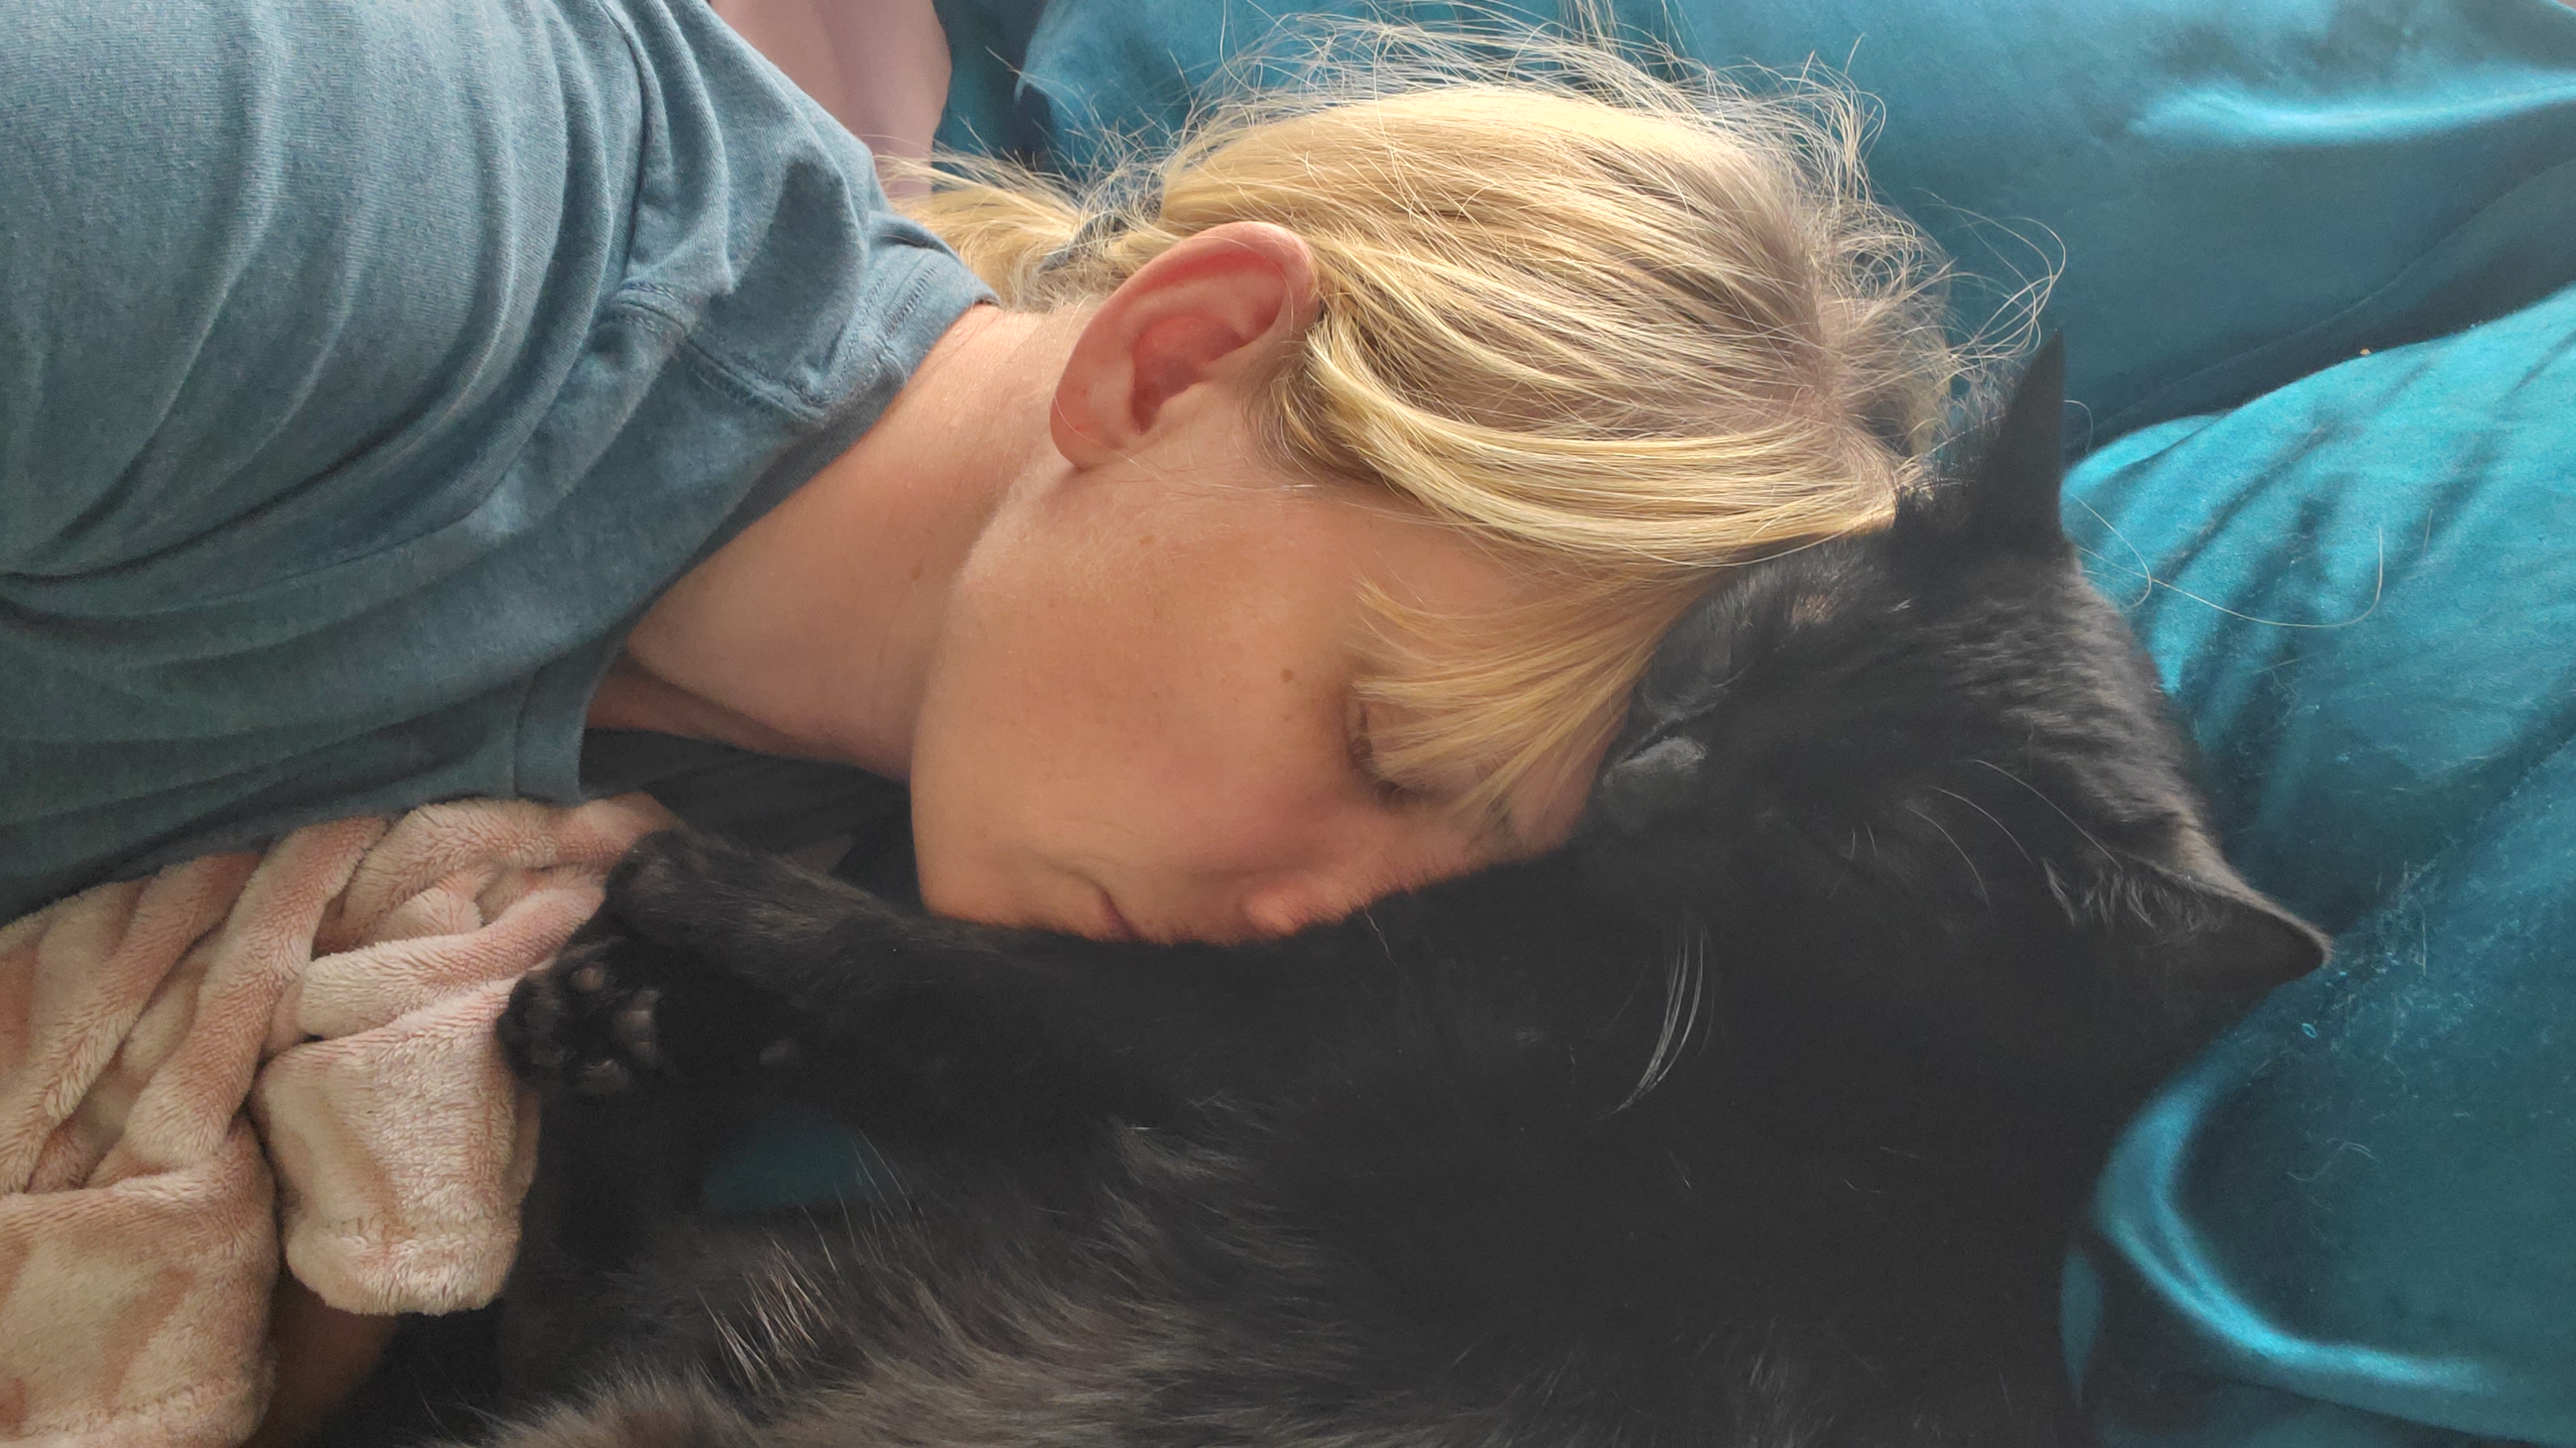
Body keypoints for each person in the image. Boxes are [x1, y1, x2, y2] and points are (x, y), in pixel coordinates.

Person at [2, 0, 1962, 943]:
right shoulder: (346, 197)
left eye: (1442, 889)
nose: (1310, 917)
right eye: (1383, 743)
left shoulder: (764, 864)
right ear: (1175, 355)